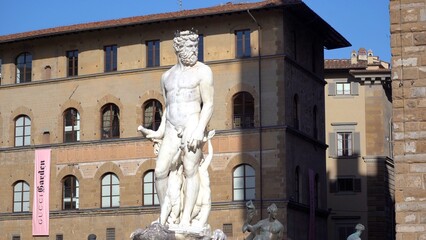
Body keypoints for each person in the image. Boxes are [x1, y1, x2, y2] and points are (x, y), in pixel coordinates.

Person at [138, 29, 214, 227]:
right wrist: (159, 132)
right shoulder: (166, 77)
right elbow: (167, 107)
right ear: (179, 49)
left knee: (190, 171)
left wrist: (199, 129)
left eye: (196, 46)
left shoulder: (203, 71)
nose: (194, 50)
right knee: (160, 171)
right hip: (171, 128)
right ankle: (168, 216)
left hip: (192, 124)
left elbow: (209, 104)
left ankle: (186, 219)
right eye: (190, 46)